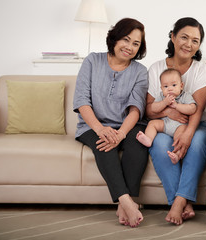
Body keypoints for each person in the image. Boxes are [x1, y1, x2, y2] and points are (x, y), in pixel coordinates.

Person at [73, 18, 148, 228]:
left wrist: (121, 133)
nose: (130, 47)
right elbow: (81, 101)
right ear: (115, 38)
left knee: (139, 142)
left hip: (127, 126)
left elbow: (136, 108)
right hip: (92, 125)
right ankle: (126, 201)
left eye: (136, 43)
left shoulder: (140, 71)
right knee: (103, 144)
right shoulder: (92, 61)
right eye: (126, 39)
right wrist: (100, 128)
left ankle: (124, 205)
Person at [146, 17, 206, 225]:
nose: (189, 44)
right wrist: (168, 114)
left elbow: (197, 110)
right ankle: (185, 204)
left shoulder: (201, 70)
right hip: (166, 126)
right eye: (184, 37)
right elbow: (149, 110)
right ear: (173, 37)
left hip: (197, 124)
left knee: (196, 142)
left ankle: (178, 202)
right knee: (159, 145)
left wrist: (188, 134)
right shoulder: (156, 68)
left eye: (195, 40)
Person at [137, 68, 197, 164]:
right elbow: (153, 108)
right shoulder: (161, 96)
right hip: (165, 123)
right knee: (152, 123)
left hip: (180, 125)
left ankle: (177, 155)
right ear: (161, 88)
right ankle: (148, 139)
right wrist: (164, 102)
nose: (170, 88)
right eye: (165, 86)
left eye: (174, 85)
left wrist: (177, 106)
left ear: (181, 86)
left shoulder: (185, 96)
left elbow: (192, 109)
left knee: (180, 137)